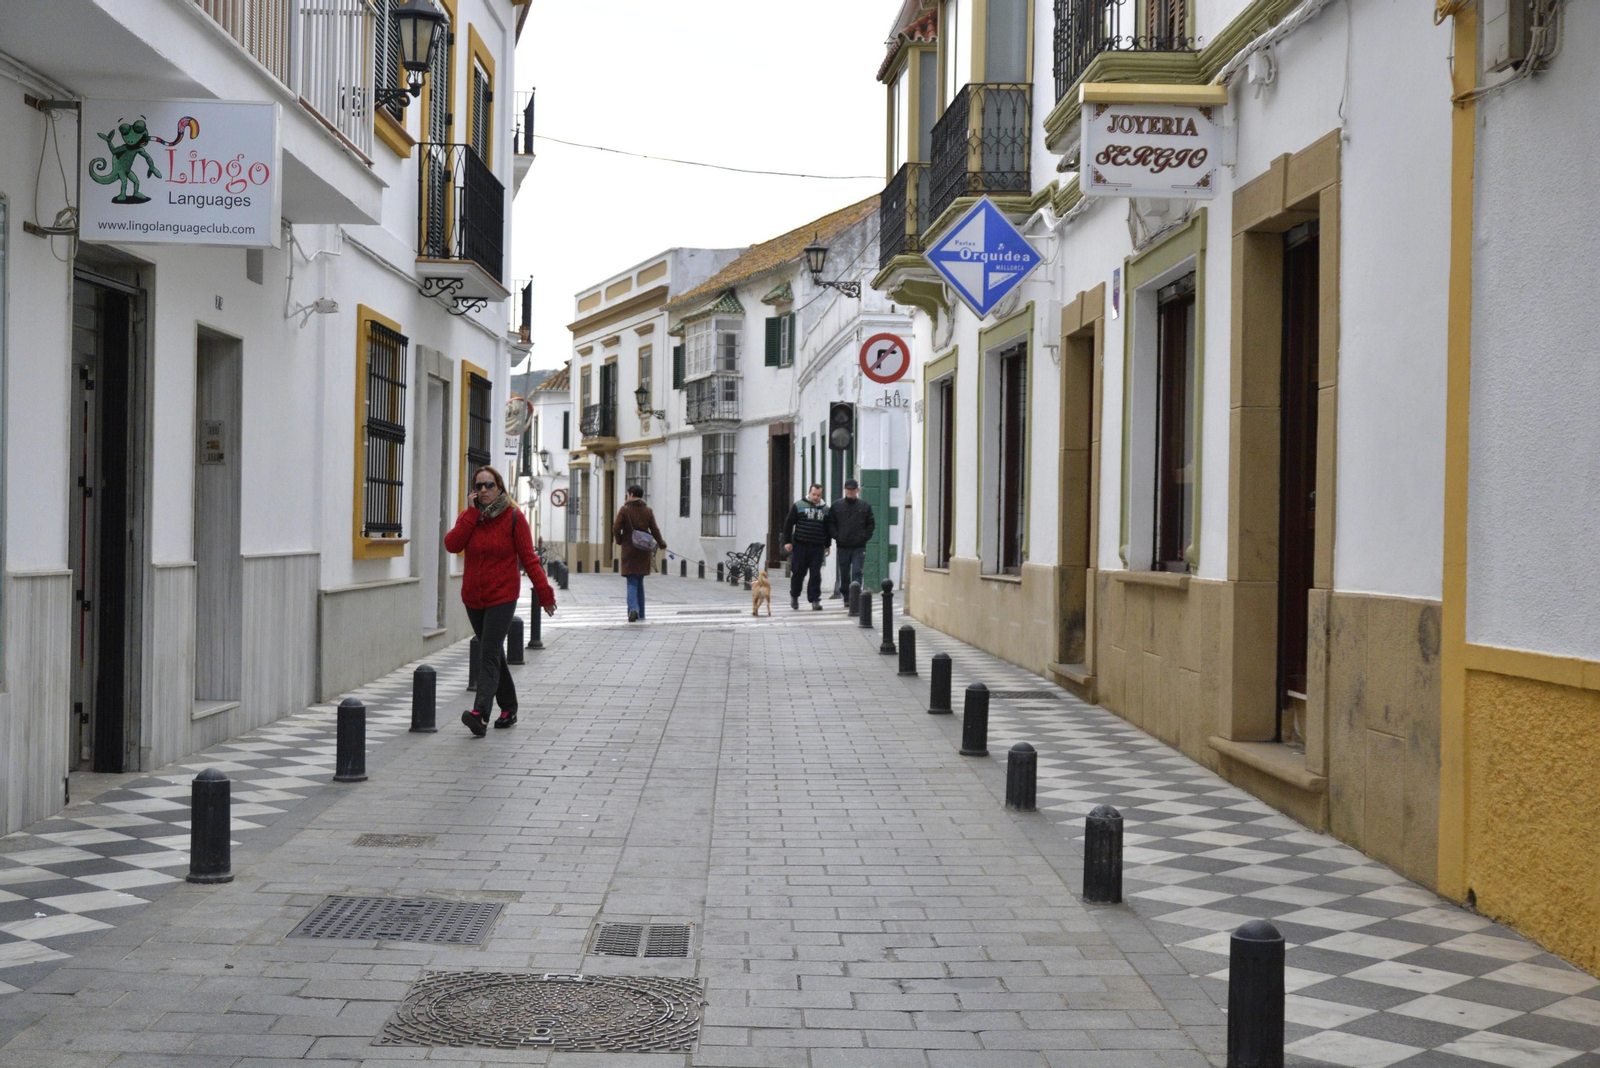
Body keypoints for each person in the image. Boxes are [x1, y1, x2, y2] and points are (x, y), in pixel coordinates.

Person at [445, 465, 556, 737]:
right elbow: (451, 545)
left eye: (489, 485)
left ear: (500, 488)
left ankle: (480, 714)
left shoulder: (514, 518)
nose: (484, 490)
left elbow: (529, 559)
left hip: (502, 596)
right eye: (479, 485)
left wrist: (545, 594)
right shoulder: (469, 518)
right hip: (473, 598)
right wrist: (471, 515)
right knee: (492, 651)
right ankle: (509, 707)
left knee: (489, 651)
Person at [613, 484, 665, 622]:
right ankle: (641, 613)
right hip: (643, 550)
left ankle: (633, 609)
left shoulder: (625, 510)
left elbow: (616, 528)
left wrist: (620, 540)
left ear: (630, 495)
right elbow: (655, 529)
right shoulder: (648, 511)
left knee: (631, 581)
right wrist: (661, 544)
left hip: (629, 549)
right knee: (640, 580)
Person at [781, 483, 831, 611]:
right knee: (798, 572)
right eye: (813, 494)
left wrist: (827, 545)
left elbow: (828, 529)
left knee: (815, 574)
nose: (815, 497)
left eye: (818, 495)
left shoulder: (825, 509)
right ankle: (795, 596)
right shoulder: (799, 506)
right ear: (809, 493)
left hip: (817, 547)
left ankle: (815, 600)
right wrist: (787, 541)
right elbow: (788, 524)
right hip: (800, 545)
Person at [828, 478, 876, 603]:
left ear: (857, 490)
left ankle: (855, 596)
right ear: (845, 490)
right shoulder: (837, 505)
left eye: (852, 490)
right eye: (848, 490)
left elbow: (870, 524)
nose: (850, 492)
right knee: (844, 573)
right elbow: (830, 523)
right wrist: (837, 536)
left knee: (857, 571)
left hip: (859, 546)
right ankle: (846, 597)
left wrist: (863, 537)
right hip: (843, 545)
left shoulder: (865, 506)